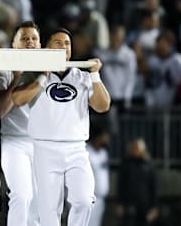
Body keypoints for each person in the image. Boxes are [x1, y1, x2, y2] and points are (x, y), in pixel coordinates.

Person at [12, 27, 111, 226]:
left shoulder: (82, 77)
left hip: (76, 149)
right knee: (49, 212)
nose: (64, 47)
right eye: (58, 42)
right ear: (47, 47)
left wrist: (95, 75)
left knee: (84, 200)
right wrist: (42, 76)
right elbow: (17, 99)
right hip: (45, 149)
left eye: (67, 43)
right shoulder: (34, 75)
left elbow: (103, 105)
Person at [0, 21, 40, 226]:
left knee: (39, 201)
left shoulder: (49, 71)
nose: (30, 42)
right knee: (21, 196)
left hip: (41, 143)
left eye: (34, 39)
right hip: (15, 142)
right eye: (24, 38)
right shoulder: (3, 73)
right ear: (14, 44)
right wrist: (15, 80)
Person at [87, 128, 110, 226]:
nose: (105, 139)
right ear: (97, 138)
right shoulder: (86, 151)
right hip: (88, 197)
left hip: (101, 197)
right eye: (103, 137)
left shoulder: (104, 153)